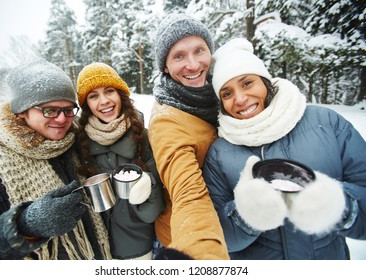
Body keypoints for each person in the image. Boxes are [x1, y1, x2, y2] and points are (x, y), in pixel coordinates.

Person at [202, 38, 366, 259]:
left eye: (247, 83)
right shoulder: (219, 153)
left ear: (265, 81)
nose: (240, 99)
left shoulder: (327, 123)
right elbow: (218, 237)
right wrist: (245, 215)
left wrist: (339, 205)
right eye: (227, 93)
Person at [0, 59, 112, 260]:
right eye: (50, 110)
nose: (62, 119)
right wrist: (25, 226)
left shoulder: (75, 142)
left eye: (68, 110)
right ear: (22, 111)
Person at [148, 13, 229, 260]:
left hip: (228, 230)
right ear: (165, 66)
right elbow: (188, 194)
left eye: (199, 51)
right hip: (183, 237)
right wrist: (200, 257)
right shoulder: (167, 120)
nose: (193, 65)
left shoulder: (222, 94)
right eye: (178, 56)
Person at [75, 62, 164, 260]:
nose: (104, 101)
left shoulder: (146, 138)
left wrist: (149, 185)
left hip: (140, 250)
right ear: (86, 105)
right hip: (96, 252)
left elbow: (153, 213)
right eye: (93, 96)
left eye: (109, 91)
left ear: (121, 95)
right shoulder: (78, 144)